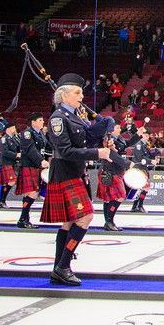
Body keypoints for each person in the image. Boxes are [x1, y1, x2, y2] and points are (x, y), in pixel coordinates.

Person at [41, 73, 115, 286]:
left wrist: (102, 127)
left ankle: (58, 268)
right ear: (64, 95)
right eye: (77, 92)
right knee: (85, 217)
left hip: (75, 171)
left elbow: (85, 140)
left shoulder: (75, 116)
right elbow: (65, 150)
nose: (82, 96)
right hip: (64, 171)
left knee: (70, 221)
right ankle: (63, 266)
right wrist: (98, 153)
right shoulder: (58, 118)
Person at [15, 113, 48, 228]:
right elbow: (30, 149)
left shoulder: (41, 133)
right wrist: (41, 161)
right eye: (40, 120)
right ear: (33, 122)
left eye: (42, 120)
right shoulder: (27, 133)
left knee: (33, 193)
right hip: (29, 165)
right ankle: (23, 219)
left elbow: (44, 148)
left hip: (37, 166)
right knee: (31, 193)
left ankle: (24, 219)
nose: (43, 122)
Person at [96, 133, 129, 232]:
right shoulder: (107, 150)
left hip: (109, 173)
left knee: (108, 199)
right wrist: (130, 164)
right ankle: (109, 222)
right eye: (110, 141)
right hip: (110, 174)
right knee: (119, 197)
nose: (112, 143)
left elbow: (121, 148)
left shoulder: (111, 148)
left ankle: (108, 222)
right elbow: (119, 160)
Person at [129, 127, 157, 213]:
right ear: (142, 135)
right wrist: (151, 161)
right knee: (144, 187)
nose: (147, 137)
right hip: (139, 168)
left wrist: (154, 153)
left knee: (143, 188)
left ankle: (136, 206)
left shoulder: (145, 145)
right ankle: (138, 205)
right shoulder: (139, 144)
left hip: (143, 168)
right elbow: (139, 157)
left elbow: (148, 155)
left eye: (148, 135)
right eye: (145, 135)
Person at [0, 125, 19, 208]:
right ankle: (1, 201)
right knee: (11, 181)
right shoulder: (4, 139)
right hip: (6, 162)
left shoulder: (14, 138)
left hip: (13, 163)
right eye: (13, 127)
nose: (14, 129)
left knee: (7, 183)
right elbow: (5, 152)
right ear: (8, 129)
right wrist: (16, 155)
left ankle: (1, 202)